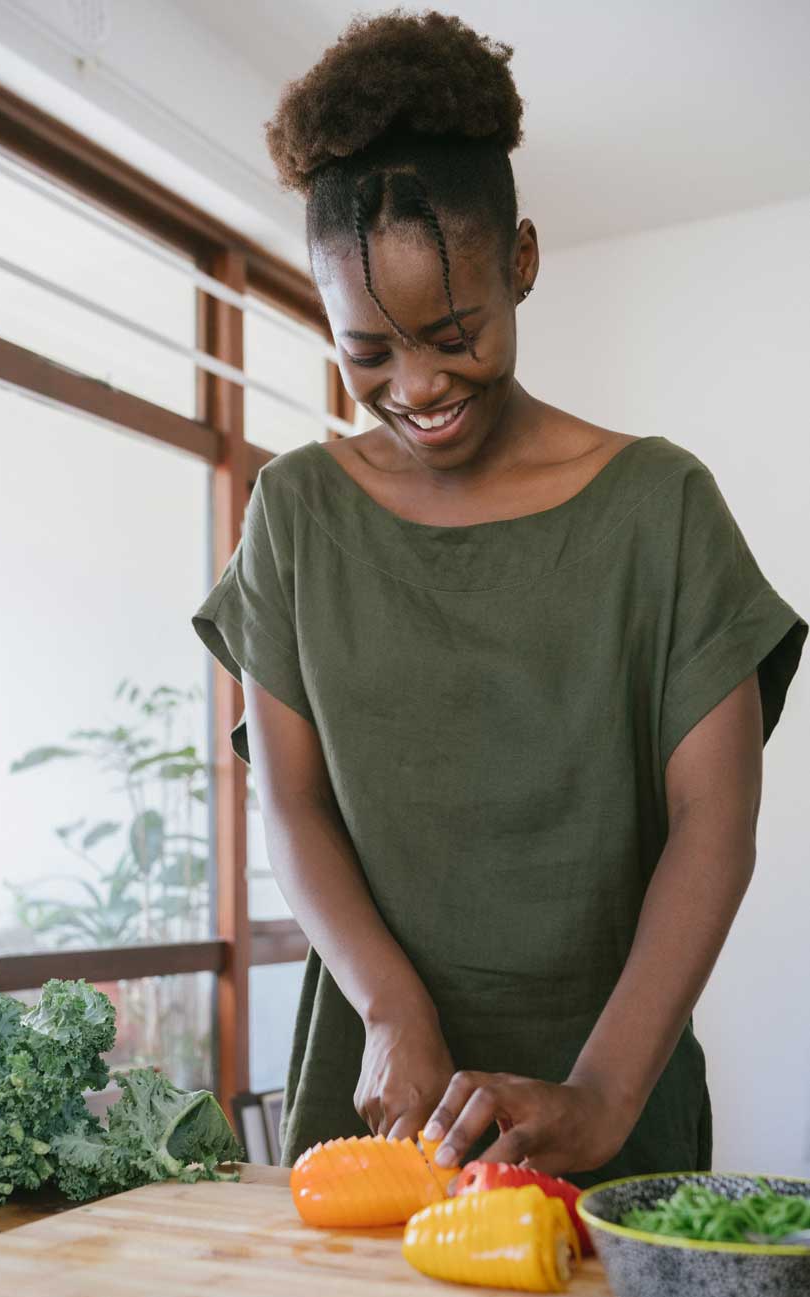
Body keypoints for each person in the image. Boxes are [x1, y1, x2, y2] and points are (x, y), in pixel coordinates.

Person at [191, 11, 807, 1184]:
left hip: (609, 1090)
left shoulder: (660, 507)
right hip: (378, 1092)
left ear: (519, 260)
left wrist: (599, 1092)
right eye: (366, 353)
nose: (415, 386)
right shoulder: (294, 514)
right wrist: (389, 1009)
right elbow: (293, 809)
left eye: (452, 330)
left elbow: (710, 826)